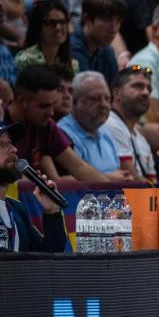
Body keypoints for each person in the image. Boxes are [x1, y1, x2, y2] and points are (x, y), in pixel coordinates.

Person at [8, 64, 111, 182]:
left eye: (53, 105)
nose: (51, 113)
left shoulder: (45, 125)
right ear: (21, 101)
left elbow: (79, 167)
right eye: (44, 106)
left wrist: (115, 195)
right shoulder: (3, 126)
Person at [0, 122, 68, 253]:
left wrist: (52, 212)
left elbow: (50, 255)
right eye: (2, 145)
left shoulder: (17, 210)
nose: (14, 149)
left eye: (11, 143)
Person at [57, 71, 124, 175]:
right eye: (94, 99)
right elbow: (72, 183)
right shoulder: (63, 135)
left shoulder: (105, 133)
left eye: (107, 98)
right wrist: (111, 179)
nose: (104, 105)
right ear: (74, 102)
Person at [105, 65, 158, 181]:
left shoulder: (141, 140)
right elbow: (132, 180)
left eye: (149, 89)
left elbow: (153, 182)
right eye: (138, 86)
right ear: (117, 93)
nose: (146, 92)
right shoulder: (109, 123)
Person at [70, 0, 124, 85]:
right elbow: (87, 91)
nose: (114, 28)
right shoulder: (71, 48)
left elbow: (115, 91)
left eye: (118, 21)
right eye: (107, 20)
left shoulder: (107, 51)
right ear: (86, 18)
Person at [15, 0, 79, 76]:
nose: (58, 27)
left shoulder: (72, 65)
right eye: (51, 23)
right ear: (38, 27)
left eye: (62, 22)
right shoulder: (25, 60)